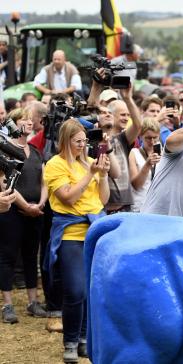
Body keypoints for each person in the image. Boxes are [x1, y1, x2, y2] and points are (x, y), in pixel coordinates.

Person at [43, 119, 111, 363]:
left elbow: (103, 200)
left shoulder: (91, 163)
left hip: (95, 232)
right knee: (75, 290)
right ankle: (70, 341)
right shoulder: (54, 165)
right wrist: (90, 174)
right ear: (65, 141)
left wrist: (101, 176)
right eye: (78, 142)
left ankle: (83, 340)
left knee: (90, 291)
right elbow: (68, 198)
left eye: (85, 141)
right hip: (70, 233)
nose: (83, 146)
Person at [0, 108, 48, 324]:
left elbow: (44, 180)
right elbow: (4, 182)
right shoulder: (6, 150)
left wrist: (39, 204)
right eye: (24, 120)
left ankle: (33, 301)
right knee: (8, 255)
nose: (29, 123)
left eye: (31, 120)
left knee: (31, 256)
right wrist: (24, 205)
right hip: (11, 211)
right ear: (13, 123)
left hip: (36, 211)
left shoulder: (36, 151)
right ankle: (8, 304)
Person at [104, 87, 143, 213]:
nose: (126, 118)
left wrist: (128, 98)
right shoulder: (97, 138)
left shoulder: (123, 138)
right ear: (110, 115)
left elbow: (138, 125)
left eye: (128, 115)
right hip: (103, 206)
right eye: (122, 115)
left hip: (124, 206)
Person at [128, 119, 161, 213]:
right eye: (148, 138)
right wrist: (147, 165)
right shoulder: (134, 153)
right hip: (140, 207)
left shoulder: (164, 153)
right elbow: (136, 185)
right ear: (141, 136)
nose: (152, 141)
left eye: (155, 137)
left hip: (159, 207)